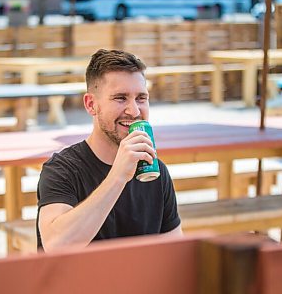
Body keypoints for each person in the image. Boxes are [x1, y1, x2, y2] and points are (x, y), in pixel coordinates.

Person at [36, 49, 183, 253]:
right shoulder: (62, 169)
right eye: (120, 98)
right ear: (91, 105)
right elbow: (55, 245)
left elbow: (173, 254)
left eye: (141, 98)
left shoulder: (157, 172)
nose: (134, 111)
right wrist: (117, 177)